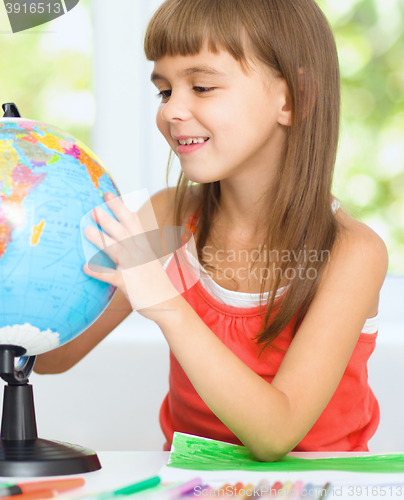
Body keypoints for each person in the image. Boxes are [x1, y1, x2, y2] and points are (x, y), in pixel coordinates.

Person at [34, 0, 388, 461]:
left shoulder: (352, 251)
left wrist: (165, 303)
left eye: (201, 86)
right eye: (164, 91)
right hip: (192, 486)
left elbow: (276, 433)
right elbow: (50, 358)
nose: (172, 111)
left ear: (293, 98)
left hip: (321, 484)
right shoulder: (167, 219)